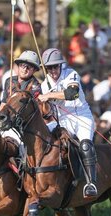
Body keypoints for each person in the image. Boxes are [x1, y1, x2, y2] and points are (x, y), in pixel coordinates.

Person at [37, 48, 98, 198]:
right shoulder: (45, 84)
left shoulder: (71, 74)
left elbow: (72, 93)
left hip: (82, 117)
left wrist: (49, 95)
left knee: (85, 144)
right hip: (63, 120)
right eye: (49, 67)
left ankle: (91, 183)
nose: (52, 70)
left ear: (60, 65)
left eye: (55, 66)